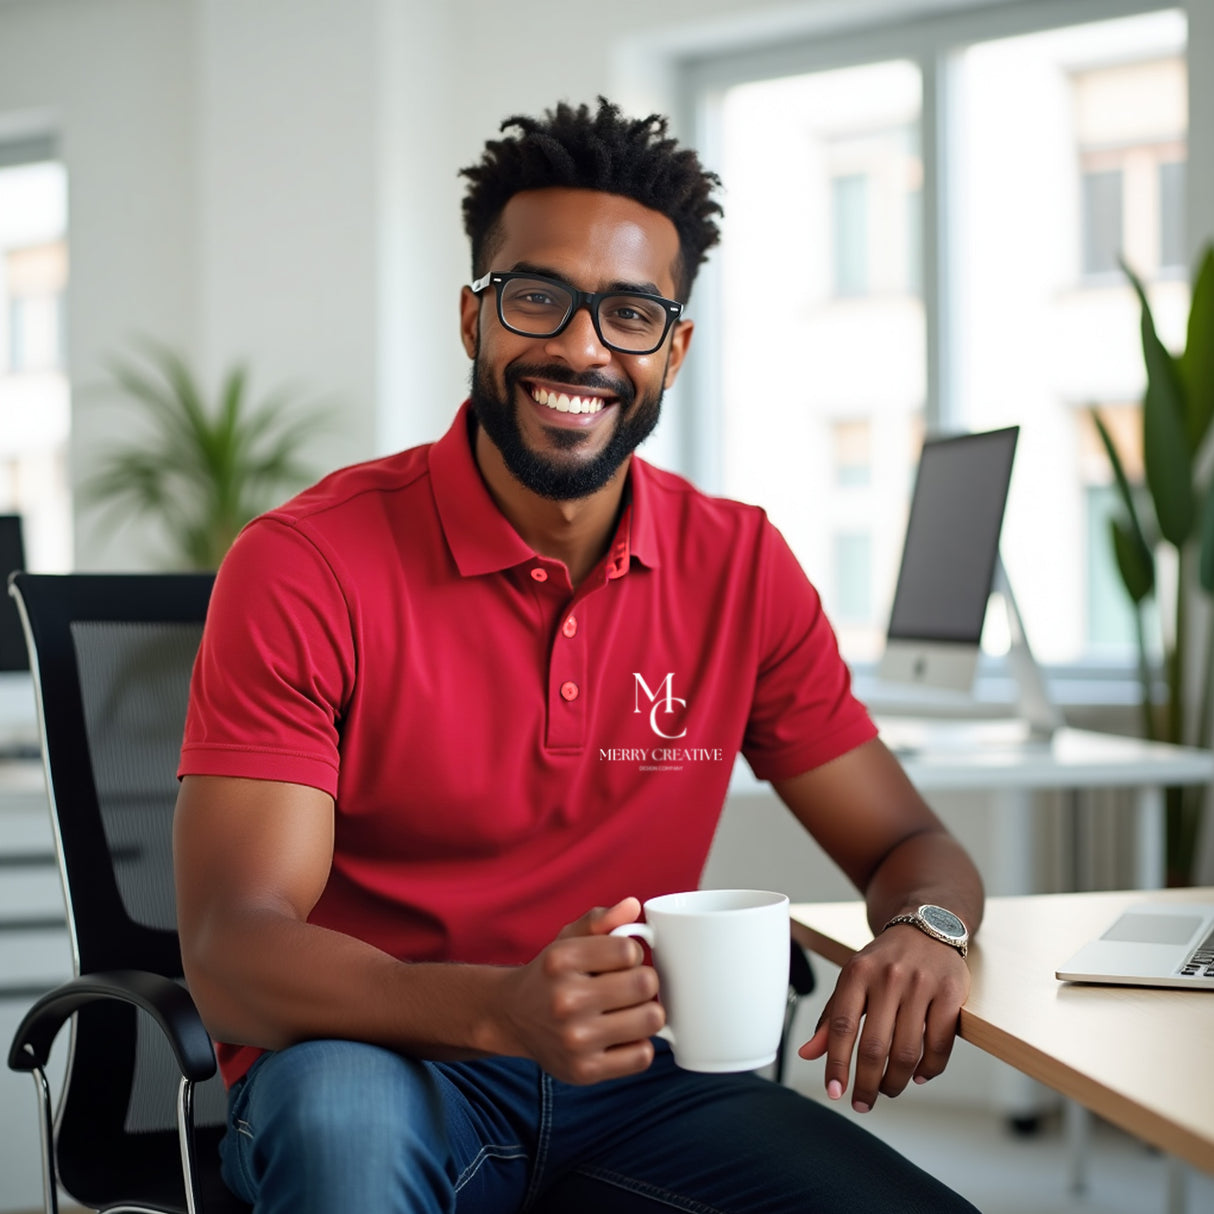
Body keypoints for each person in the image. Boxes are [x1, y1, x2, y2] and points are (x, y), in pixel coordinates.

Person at [174, 97, 984, 1214]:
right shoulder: (306, 563)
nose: (581, 347)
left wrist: (927, 930)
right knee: (344, 1147)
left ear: (674, 348)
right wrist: (500, 1010)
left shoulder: (739, 565)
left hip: (641, 1082)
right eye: (537, 297)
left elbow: (907, 842)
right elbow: (234, 948)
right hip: (375, 1057)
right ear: (474, 316)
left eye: (630, 313)